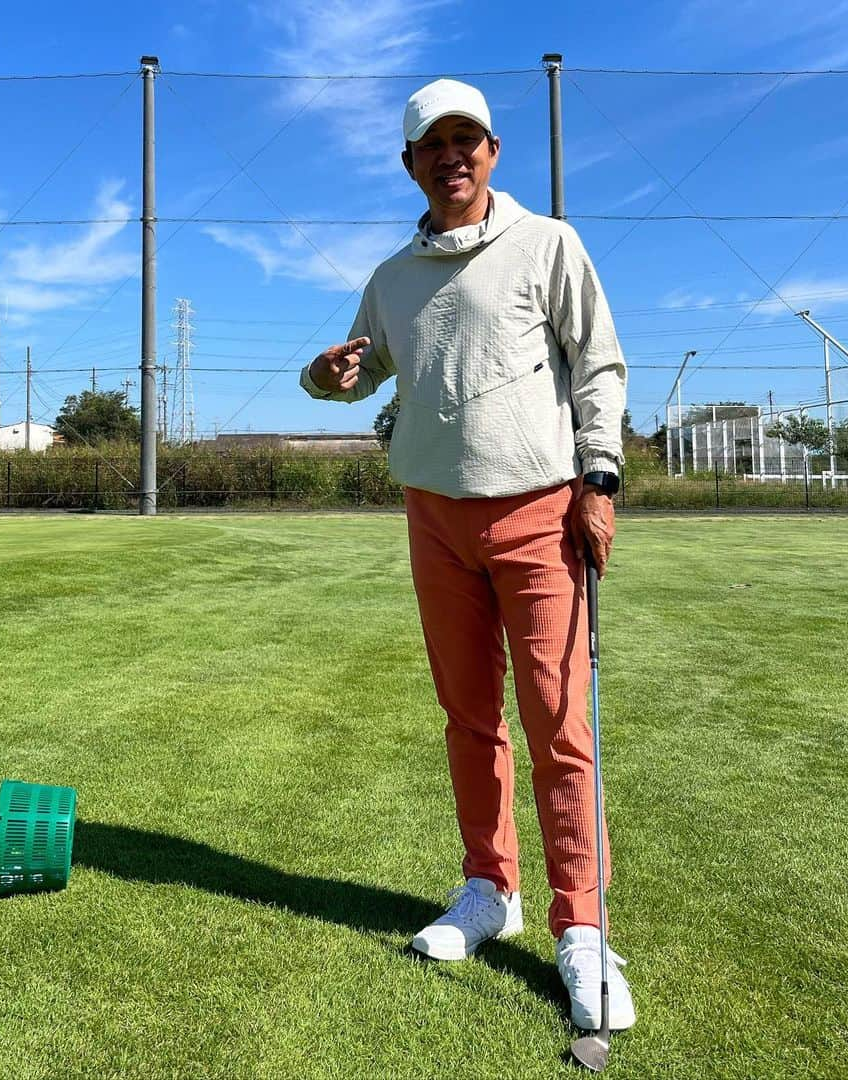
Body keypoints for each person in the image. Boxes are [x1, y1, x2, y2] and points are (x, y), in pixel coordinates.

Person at [298, 78, 634, 1032]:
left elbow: (600, 363)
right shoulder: (394, 274)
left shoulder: (548, 244)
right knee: (467, 717)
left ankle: (583, 927)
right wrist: (326, 378)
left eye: (467, 140)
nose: (451, 156)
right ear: (410, 165)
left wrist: (599, 480)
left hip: (538, 508)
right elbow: (352, 376)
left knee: (559, 724)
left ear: (493, 152)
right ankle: (491, 888)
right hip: (432, 515)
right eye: (431, 145)